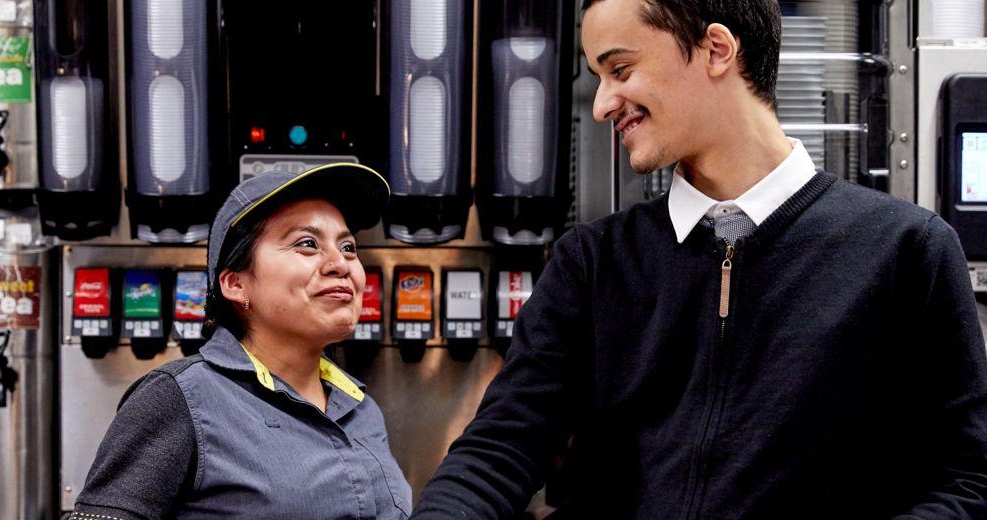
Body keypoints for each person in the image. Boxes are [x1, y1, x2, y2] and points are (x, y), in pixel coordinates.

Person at [413, 0, 987, 518]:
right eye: (599, 78)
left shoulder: (907, 251)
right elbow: (499, 450)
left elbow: (966, 480)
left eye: (621, 70)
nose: (603, 105)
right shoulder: (591, 263)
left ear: (716, 50)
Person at [74, 163, 412, 519]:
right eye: (308, 244)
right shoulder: (181, 399)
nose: (341, 264)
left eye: (348, 247)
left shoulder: (361, 409)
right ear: (236, 284)